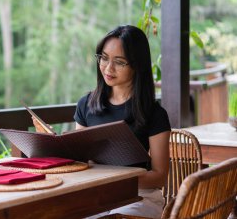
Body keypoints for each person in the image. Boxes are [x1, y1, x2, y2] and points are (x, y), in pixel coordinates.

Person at [33, 25, 171, 218]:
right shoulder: (86, 105)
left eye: (119, 62)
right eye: (104, 58)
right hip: (95, 195)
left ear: (137, 64)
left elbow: (160, 176)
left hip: (140, 198)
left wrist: (113, 179)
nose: (108, 68)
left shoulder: (154, 113)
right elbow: (80, 161)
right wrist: (55, 146)